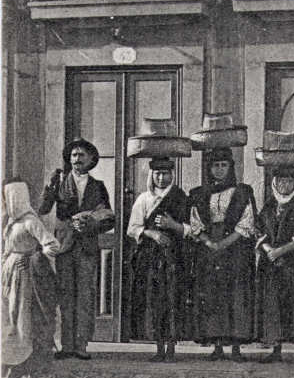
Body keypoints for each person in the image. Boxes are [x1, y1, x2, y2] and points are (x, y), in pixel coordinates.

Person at [162, 145, 257, 361]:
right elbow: (195, 223)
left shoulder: (242, 192)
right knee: (213, 296)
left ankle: (236, 348)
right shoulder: (198, 194)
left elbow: (247, 222)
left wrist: (224, 243)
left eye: (224, 165)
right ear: (209, 168)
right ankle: (217, 346)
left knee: (235, 296)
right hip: (207, 250)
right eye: (216, 166)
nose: (220, 170)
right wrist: (209, 242)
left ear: (230, 167)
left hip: (235, 250)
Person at [38, 138, 114, 360]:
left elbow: (109, 218)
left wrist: (90, 223)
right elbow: (43, 209)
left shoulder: (98, 186)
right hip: (65, 246)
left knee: (85, 296)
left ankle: (81, 346)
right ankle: (67, 346)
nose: (77, 159)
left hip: (87, 247)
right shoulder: (60, 183)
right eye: (74, 155)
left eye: (82, 155)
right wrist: (51, 187)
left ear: (91, 159)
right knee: (66, 295)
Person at [255, 165, 294, 367]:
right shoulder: (268, 206)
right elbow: (258, 230)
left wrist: (280, 251)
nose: (285, 185)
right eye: (281, 181)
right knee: (274, 306)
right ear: (274, 183)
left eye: (289, 181)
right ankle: (276, 350)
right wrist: (268, 250)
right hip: (272, 266)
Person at [126, 158, 189, 362]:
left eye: (165, 174)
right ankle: (159, 347)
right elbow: (132, 228)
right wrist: (152, 233)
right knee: (155, 300)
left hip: (175, 257)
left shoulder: (181, 198)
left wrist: (173, 225)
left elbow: (193, 228)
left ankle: (171, 348)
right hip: (151, 257)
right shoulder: (144, 199)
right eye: (157, 174)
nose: (161, 178)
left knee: (172, 298)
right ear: (151, 175)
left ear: (172, 175)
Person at [2, 179, 60, 378]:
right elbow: (7, 250)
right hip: (9, 277)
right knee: (8, 320)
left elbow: (52, 244)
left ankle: (29, 366)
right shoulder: (11, 223)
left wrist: (33, 256)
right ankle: (14, 365)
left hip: (25, 278)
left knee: (23, 321)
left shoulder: (30, 221)